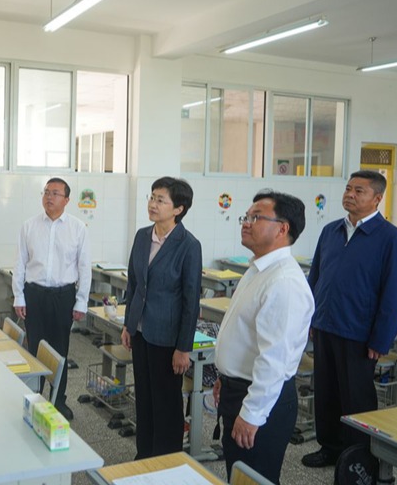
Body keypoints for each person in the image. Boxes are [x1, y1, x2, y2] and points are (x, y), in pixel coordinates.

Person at [301, 170, 397, 468]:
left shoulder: (391, 239)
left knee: (356, 396)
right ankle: (330, 448)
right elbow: (315, 277)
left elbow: (395, 294)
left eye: (359, 191)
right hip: (325, 324)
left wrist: (381, 339)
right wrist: (309, 318)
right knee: (326, 391)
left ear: (377, 198)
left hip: (359, 332)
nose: (350, 194)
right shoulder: (331, 231)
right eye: (348, 188)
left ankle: (358, 456)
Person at [213, 190, 314, 484]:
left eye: (256, 217)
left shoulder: (284, 282)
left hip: (262, 399)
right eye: (246, 217)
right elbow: (246, 335)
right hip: (241, 389)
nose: (246, 223)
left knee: (254, 477)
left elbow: (274, 360)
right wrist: (225, 375)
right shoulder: (259, 269)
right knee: (239, 474)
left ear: (282, 229)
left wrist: (252, 414)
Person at [120, 177, 202, 459]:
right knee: (144, 398)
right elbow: (133, 283)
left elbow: (191, 301)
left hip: (167, 338)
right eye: (152, 197)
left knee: (166, 404)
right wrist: (129, 324)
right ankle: (144, 457)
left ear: (178, 209)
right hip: (141, 333)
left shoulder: (188, 245)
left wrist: (183, 348)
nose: (152, 204)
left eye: (160, 200)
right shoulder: (143, 236)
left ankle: (166, 463)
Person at [12, 177, 91, 420]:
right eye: (46, 192)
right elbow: (20, 263)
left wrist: (81, 301)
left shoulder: (78, 228)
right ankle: (35, 397)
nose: (49, 197)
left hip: (63, 296)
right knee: (34, 347)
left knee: (60, 350)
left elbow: (84, 267)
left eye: (55, 193)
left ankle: (58, 400)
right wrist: (19, 297)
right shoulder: (29, 226)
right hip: (34, 294)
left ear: (66, 200)